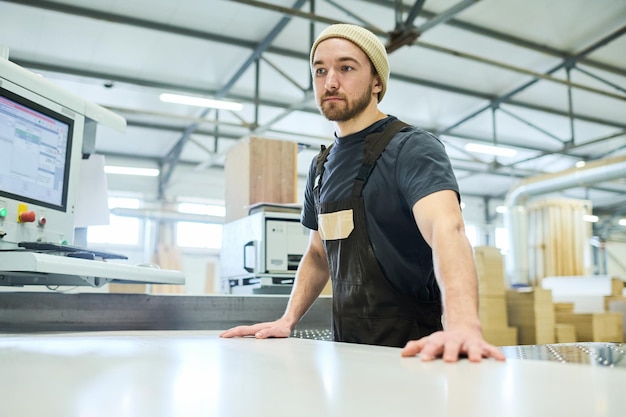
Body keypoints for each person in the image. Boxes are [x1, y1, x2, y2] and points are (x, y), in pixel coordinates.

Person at [220, 23, 505, 363]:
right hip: (348, 355)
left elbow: (448, 229)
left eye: (346, 67)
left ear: (377, 82)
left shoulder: (411, 148)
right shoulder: (320, 167)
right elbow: (317, 254)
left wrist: (463, 326)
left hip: (415, 356)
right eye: (320, 71)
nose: (330, 82)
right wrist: (288, 319)